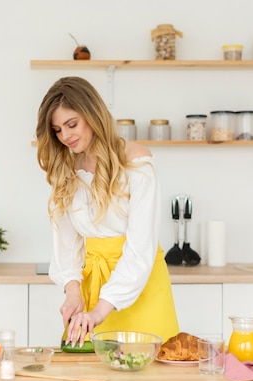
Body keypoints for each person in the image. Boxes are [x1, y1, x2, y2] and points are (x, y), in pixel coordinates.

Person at [35, 76, 179, 347]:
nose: (65, 136)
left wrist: (101, 310)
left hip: (141, 286)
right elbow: (66, 242)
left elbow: (140, 248)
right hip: (94, 292)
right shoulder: (66, 170)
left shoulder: (137, 164)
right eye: (57, 130)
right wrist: (73, 291)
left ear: (93, 115)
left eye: (72, 124)